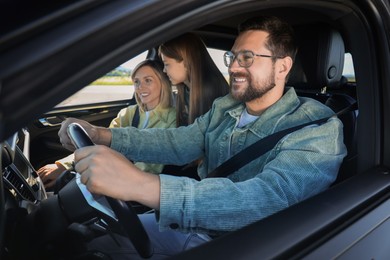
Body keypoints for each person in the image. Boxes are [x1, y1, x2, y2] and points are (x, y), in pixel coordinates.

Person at [58, 16, 347, 258]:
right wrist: (102, 135)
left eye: (247, 57)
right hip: (192, 224)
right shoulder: (226, 108)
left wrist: (142, 186)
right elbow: (177, 142)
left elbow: (265, 198)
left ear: (282, 67)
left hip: (244, 246)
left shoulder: (318, 127)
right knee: (87, 240)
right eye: (233, 56)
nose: (233, 67)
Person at [38, 59, 176, 189]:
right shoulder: (128, 113)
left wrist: (96, 174)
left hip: (134, 188)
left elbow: (148, 169)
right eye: (136, 82)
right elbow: (100, 145)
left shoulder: (172, 119)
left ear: (163, 82)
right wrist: (64, 166)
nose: (140, 87)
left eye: (148, 80)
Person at [159, 32, 229, 126]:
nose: (164, 70)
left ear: (187, 61)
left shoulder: (210, 90)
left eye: (167, 64)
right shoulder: (185, 89)